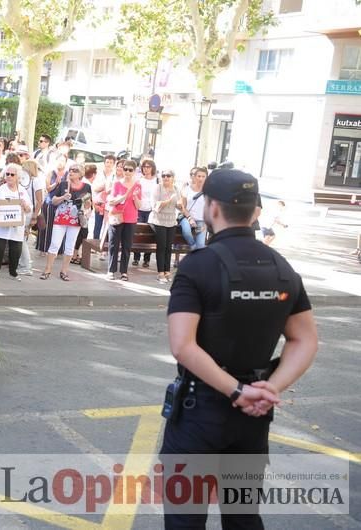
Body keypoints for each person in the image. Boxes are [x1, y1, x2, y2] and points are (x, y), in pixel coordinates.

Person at [161, 169, 318, 529]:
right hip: (253, 419)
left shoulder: (198, 266)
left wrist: (236, 390)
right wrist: (271, 387)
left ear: (212, 208)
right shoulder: (283, 269)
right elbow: (305, 338)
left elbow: (183, 346)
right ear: (255, 211)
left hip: (201, 411)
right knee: (243, 518)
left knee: (185, 519)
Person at [39, 164, 91, 281]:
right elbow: (53, 200)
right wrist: (63, 197)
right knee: (55, 244)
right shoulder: (63, 185)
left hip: (76, 219)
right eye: (70, 170)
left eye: (75, 170)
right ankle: (47, 270)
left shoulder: (86, 187)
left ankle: (64, 271)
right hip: (61, 218)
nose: (71, 172)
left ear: (81, 174)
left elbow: (88, 204)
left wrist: (87, 211)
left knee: (70, 246)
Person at [0, 163, 32, 280]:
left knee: (16, 250)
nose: (9, 176)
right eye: (7, 174)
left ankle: (13, 272)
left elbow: (29, 208)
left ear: (18, 176)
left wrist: (25, 205)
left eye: (12, 174)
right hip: (0, 226)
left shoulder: (22, 191)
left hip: (16, 226)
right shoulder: (1, 189)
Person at [106, 160, 141, 281]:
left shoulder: (137, 185)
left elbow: (139, 206)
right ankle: (111, 270)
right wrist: (124, 196)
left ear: (135, 171)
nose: (127, 172)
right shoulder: (117, 183)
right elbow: (112, 201)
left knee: (126, 246)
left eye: (130, 170)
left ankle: (124, 271)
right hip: (117, 217)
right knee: (113, 244)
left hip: (130, 218)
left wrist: (135, 196)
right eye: (125, 169)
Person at [148, 169, 180, 283]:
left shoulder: (176, 189)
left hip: (171, 221)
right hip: (158, 220)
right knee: (161, 246)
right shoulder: (158, 188)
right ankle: (160, 272)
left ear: (173, 178)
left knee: (168, 247)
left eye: (168, 176)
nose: (166, 177)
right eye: (164, 176)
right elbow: (155, 206)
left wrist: (181, 205)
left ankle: (167, 271)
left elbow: (178, 205)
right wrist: (168, 200)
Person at [133, 158, 158, 268]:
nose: (146, 169)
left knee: (150, 234)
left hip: (152, 210)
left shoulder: (157, 181)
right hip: (139, 209)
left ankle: (146, 259)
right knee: (137, 233)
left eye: (148, 166)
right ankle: (136, 257)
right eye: (144, 166)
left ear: (153, 168)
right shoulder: (139, 180)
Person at [178, 166, 208, 250]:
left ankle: (196, 255)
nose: (201, 179)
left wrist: (206, 224)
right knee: (187, 232)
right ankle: (193, 247)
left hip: (201, 220)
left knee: (201, 245)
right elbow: (183, 207)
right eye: (199, 176)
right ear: (194, 177)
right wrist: (190, 218)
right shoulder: (187, 189)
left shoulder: (209, 191)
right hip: (187, 218)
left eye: (203, 176)